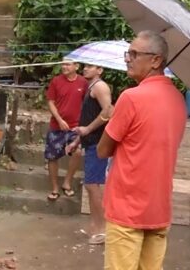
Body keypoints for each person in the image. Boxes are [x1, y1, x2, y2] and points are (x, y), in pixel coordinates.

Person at [98, 31, 186, 270]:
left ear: (156, 60)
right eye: (129, 53)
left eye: (135, 54)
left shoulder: (131, 98)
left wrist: (112, 119)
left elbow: (103, 150)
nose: (128, 58)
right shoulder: (178, 99)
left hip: (127, 209)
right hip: (158, 208)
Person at [68, 64, 114, 245]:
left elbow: (109, 111)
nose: (85, 69)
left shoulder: (100, 87)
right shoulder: (91, 88)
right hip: (90, 142)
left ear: (100, 70)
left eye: (90, 66)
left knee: (93, 185)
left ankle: (102, 229)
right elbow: (89, 116)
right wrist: (77, 140)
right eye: (85, 66)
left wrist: (87, 129)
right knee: (90, 185)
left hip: (98, 143)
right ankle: (95, 226)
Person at [44, 59, 87, 201]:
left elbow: (86, 103)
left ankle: (67, 182)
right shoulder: (56, 81)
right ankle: (55, 188)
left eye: (68, 64)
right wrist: (59, 119)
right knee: (52, 157)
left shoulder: (83, 82)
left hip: (75, 126)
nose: (64, 67)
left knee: (78, 151)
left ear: (76, 66)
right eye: (62, 64)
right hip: (57, 126)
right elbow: (50, 102)